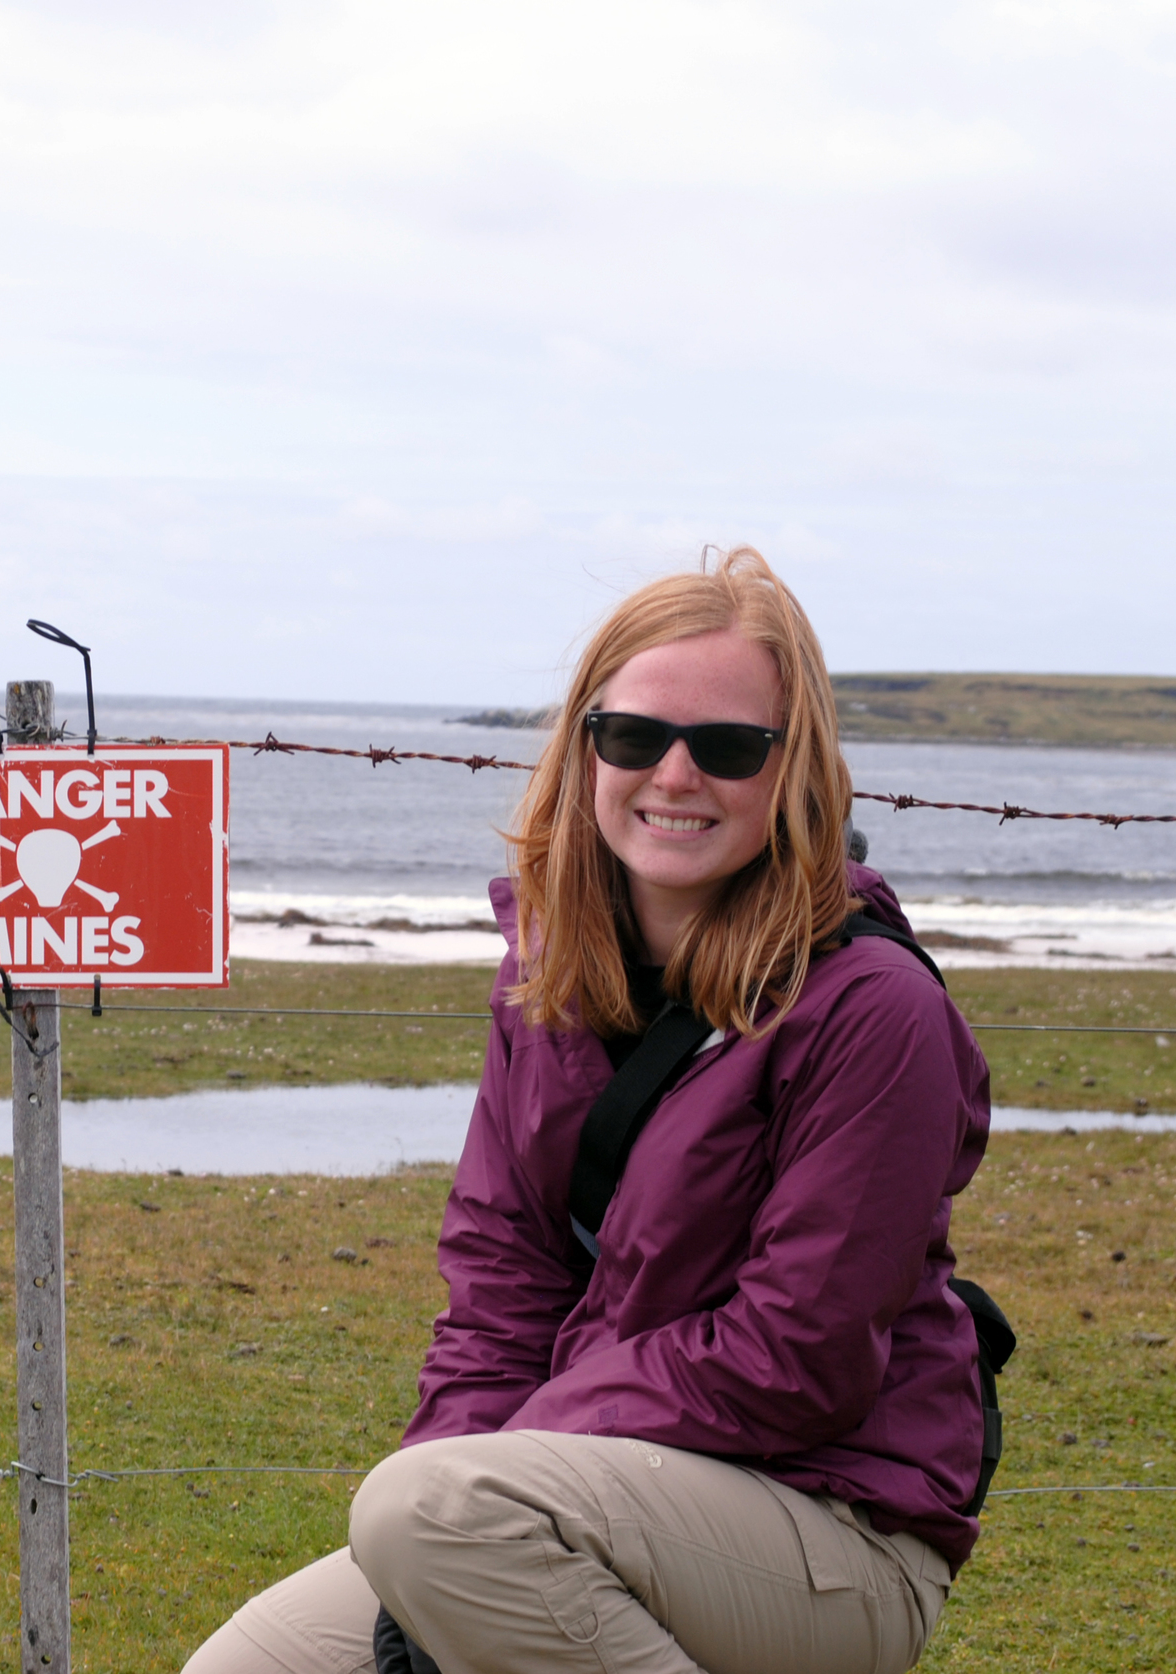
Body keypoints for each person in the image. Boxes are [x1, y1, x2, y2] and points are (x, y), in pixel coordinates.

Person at [185, 548, 990, 1674]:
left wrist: (483, 1480)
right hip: (566, 1491)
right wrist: (454, 1505)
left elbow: (797, 1354)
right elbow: (500, 1280)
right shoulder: (548, 978)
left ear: (793, 769)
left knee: (432, 1514)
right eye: (632, 737)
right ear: (584, 748)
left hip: (831, 1530)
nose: (673, 775)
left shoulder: (875, 1012)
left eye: (726, 747)